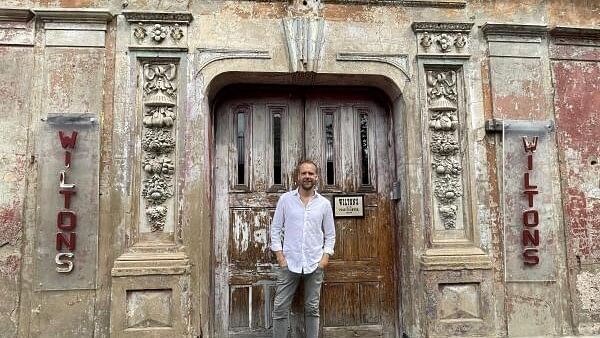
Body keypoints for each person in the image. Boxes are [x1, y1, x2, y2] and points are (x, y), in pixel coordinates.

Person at [270, 160, 336, 338]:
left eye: (311, 173)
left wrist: (325, 258)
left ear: (316, 177)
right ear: (298, 176)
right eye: (304, 173)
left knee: (312, 308)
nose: (307, 176)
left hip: (314, 263)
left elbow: (330, 234)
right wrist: (280, 256)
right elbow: (275, 229)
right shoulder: (285, 200)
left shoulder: (323, 204)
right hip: (289, 263)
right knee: (280, 307)